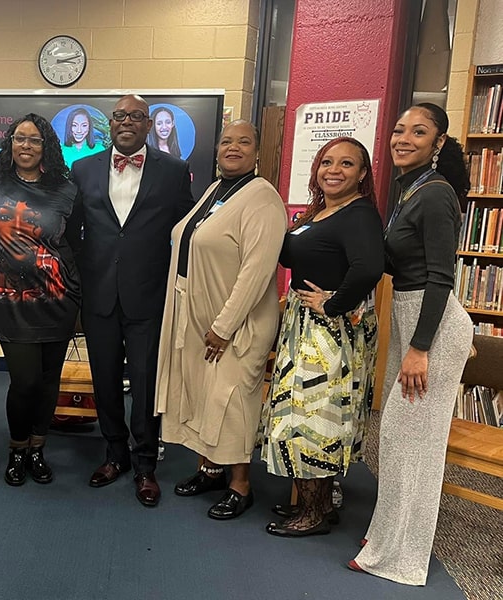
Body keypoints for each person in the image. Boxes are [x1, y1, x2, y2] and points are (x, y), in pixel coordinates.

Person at [350, 103, 472, 585]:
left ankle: (401, 556)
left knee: (412, 442)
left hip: (429, 326)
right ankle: (387, 531)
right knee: (399, 441)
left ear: (438, 142)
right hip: (413, 316)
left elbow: (442, 276)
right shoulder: (409, 188)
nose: (403, 138)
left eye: (418, 132)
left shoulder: (436, 193)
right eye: (399, 129)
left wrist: (422, 347)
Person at [155, 120, 285, 519]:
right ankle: (209, 469)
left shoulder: (263, 198)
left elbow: (256, 272)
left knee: (231, 400)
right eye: (226, 140)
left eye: (244, 141)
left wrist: (224, 326)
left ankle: (240, 485)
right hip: (195, 316)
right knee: (200, 394)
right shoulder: (215, 190)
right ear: (216, 150)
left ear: (257, 151)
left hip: (236, 324)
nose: (233, 147)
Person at [71, 94, 194, 507]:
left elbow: (186, 232)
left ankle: (145, 465)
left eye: (136, 116)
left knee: (144, 384)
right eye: (120, 115)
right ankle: (115, 455)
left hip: (148, 295)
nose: (127, 122)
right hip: (99, 294)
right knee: (104, 380)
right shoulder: (82, 169)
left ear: (148, 125)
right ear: (110, 124)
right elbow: (74, 233)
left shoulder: (175, 172)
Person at [260, 137, 385, 537]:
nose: (334, 169)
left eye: (347, 164)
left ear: (363, 174)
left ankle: (313, 514)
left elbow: (368, 269)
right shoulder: (320, 212)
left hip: (330, 331)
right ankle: (319, 503)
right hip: (304, 323)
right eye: (327, 162)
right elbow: (289, 256)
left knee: (312, 417)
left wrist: (332, 305)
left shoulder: (359, 213)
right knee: (307, 414)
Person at [0, 113, 81, 487]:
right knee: (24, 382)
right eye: (19, 138)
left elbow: (78, 242)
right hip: (9, 299)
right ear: (9, 143)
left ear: (46, 147)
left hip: (57, 296)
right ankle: (16, 448)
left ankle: (38, 449)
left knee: (48, 380)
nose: (25, 145)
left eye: (34, 140)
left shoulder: (66, 189)